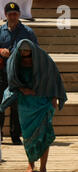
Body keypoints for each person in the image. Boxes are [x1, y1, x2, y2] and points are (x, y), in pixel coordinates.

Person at [0, 39, 67, 172]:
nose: (25, 55)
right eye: (22, 52)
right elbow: (12, 79)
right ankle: (31, 163)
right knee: (28, 135)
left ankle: (43, 167)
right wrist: (23, 89)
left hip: (43, 101)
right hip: (25, 104)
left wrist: (54, 97)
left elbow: (54, 77)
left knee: (44, 135)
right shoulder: (15, 61)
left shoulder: (43, 60)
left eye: (28, 53)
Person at [0, 2, 37, 145]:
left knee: (17, 104)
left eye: (15, 14)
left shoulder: (27, 32)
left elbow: (36, 50)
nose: (12, 16)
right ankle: (0, 134)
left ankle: (15, 135)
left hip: (19, 72)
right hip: (2, 72)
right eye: (10, 14)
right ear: (6, 15)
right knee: (1, 103)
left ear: (19, 15)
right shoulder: (0, 30)